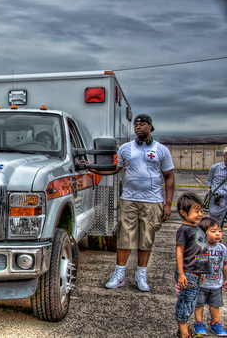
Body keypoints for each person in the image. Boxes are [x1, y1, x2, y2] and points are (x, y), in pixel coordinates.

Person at [92, 114, 175, 292]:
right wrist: (93, 169)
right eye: (136, 125)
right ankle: (119, 275)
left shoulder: (161, 150)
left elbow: (169, 177)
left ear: (150, 127)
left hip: (152, 201)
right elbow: (116, 169)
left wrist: (168, 204)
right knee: (124, 237)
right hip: (129, 199)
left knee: (146, 239)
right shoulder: (125, 148)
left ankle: (140, 276)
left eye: (142, 124)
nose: (138, 127)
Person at [175, 193, 210, 338]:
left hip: (196, 274)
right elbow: (180, 251)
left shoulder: (197, 229)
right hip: (187, 274)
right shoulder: (184, 230)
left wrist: (201, 272)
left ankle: (184, 329)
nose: (200, 214)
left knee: (191, 302)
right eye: (196, 211)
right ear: (184, 212)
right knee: (185, 303)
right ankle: (184, 334)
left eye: (201, 211)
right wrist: (181, 274)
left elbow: (199, 253)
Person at [193, 217, 227, 336]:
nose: (218, 234)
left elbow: (225, 264)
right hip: (201, 284)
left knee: (215, 305)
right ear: (203, 234)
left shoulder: (222, 249)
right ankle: (199, 323)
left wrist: (226, 279)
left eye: (219, 231)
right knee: (199, 304)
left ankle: (216, 324)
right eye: (213, 231)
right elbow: (194, 264)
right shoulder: (199, 248)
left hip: (216, 284)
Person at [207, 147, 227, 228]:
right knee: (215, 226)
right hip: (218, 200)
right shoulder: (215, 168)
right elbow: (210, 182)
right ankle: (215, 241)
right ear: (224, 155)